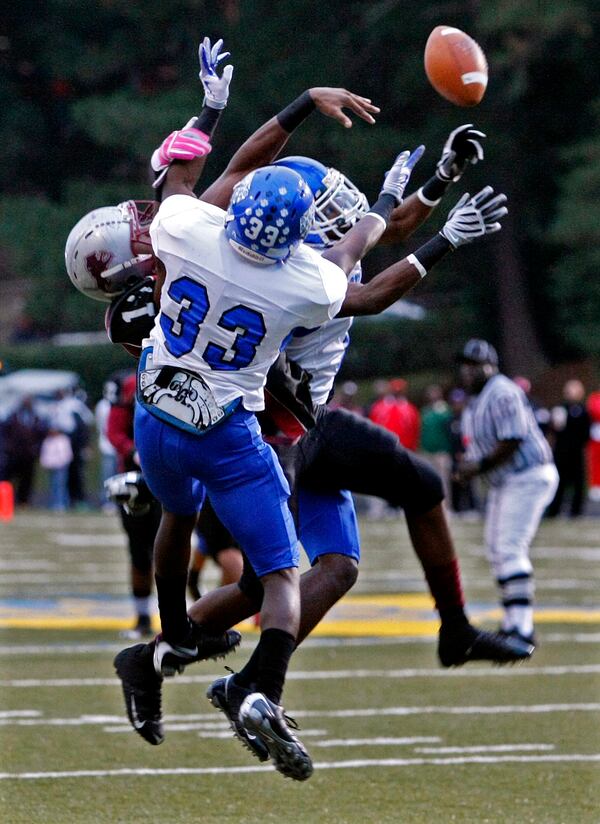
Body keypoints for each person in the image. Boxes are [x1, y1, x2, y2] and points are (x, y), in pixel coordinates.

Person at [454, 339, 559, 647]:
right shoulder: (478, 398)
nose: (468, 371)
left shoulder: (502, 391)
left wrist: (478, 466)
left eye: (475, 365)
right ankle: (512, 621)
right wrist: (471, 464)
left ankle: (522, 628)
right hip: (506, 480)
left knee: (509, 547)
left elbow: (512, 439)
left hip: (527, 475)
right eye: (466, 365)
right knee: (497, 549)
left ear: (491, 366)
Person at [104, 372, 161, 639]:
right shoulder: (128, 384)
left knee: (174, 545)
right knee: (140, 551)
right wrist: (132, 451)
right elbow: (114, 430)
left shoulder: (186, 369)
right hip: (136, 478)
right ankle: (143, 618)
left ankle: (179, 620)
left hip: (172, 470)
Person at [547, 379, 590, 518]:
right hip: (561, 451)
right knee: (559, 481)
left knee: (578, 482)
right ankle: (554, 509)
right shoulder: (560, 409)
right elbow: (554, 430)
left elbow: (586, 432)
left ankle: (576, 511)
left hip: (576, 451)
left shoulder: (584, 410)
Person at [1, 397, 46, 505]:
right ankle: (7, 501)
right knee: (8, 478)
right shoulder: (13, 417)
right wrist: (8, 447)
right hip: (14, 454)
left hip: (28, 455)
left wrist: (36, 449)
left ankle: (23, 501)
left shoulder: (36, 418)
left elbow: (41, 435)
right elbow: (5, 433)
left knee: (27, 479)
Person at [419, 384, 453, 501]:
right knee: (428, 480)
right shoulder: (426, 411)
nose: (432, 395)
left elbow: (450, 431)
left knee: (443, 480)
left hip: (441, 451)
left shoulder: (444, 410)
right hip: (427, 451)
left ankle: (446, 505)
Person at [369, 377, 420, 451]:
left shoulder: (411, 409)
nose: (397, 393)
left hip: (405, 449)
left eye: (399, 391)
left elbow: (415, 431)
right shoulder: (378, 407)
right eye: (395, 390)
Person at [94, 381, 118, 510]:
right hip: (106, 445)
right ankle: (106, 501)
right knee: (107, 475)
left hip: (115, 445)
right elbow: (100, 426)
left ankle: (117, 500)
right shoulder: (102, 406)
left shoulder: (117, 405)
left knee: (116, 474)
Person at [39, 427, 72, 511]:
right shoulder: (48, 441)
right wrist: (46, 464)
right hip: (51, 467)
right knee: (53, 486)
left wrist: (62, 463)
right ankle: (54, 503)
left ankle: (61, 503)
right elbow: (44, 454)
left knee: (60, 485)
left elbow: (67, 454)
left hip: (61, 467)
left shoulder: (63, 440)